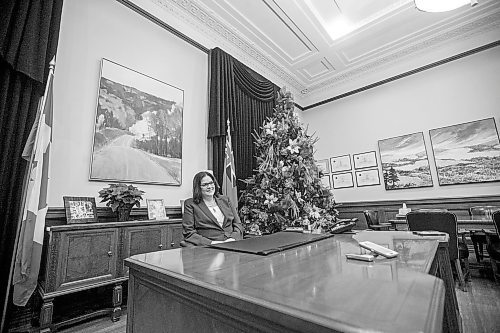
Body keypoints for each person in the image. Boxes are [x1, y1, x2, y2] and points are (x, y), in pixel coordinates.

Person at [182, 171, 244, 246]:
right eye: (205, 185)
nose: (209, 187)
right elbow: (189, 232)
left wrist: (233, 238)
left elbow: (237, 224)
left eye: (211, 183)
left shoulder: (225, 200)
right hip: (209, 247)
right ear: (198, 187)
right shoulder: (190, 204)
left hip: (231, 243)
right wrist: (211, 243)